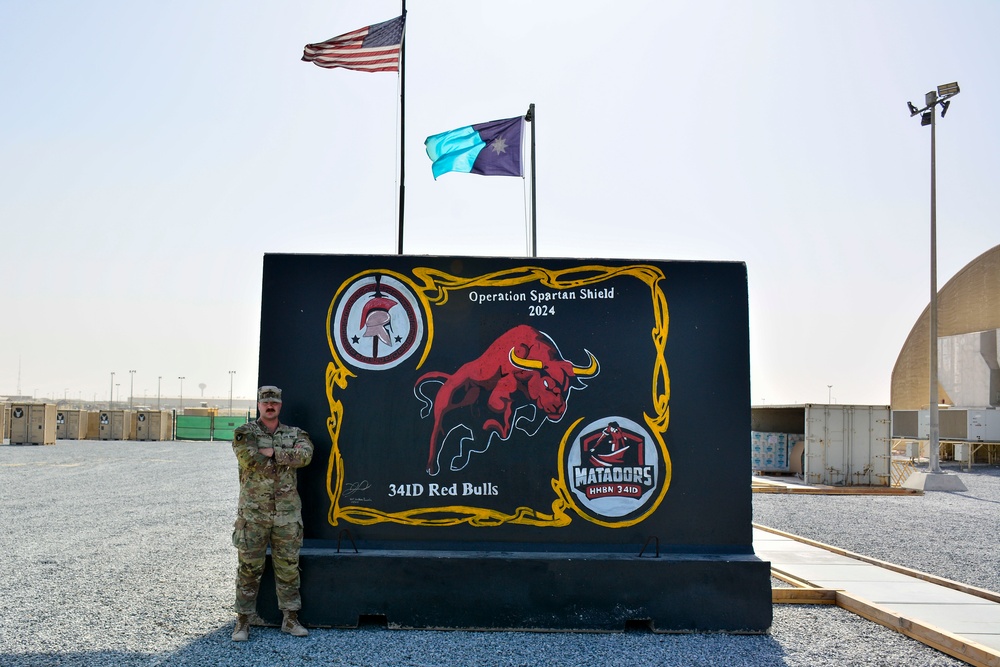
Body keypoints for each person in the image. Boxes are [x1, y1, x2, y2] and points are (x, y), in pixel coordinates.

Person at [231, 385, 314, 642]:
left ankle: (290, 619)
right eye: (265, 402)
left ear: (280, 405)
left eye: (274, 402)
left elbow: (306, 456)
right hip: (254, 514)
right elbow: (250, 459)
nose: (270, 406)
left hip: (287, 515)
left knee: (288, 567)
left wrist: (274, 452)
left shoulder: (295, 433)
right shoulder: (245, 433)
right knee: (248, 569)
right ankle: (243, 622)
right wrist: (287, 457)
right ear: (259, 405)